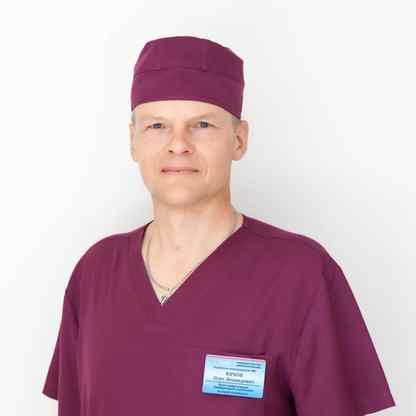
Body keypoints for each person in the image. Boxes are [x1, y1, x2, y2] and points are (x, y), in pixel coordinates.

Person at [42, 35, 396, 415]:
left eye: (203, 125)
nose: (179, 144)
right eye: (157, 125)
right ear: (133, 142)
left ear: (239, 140)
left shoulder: (302, 276)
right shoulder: (95, 274)